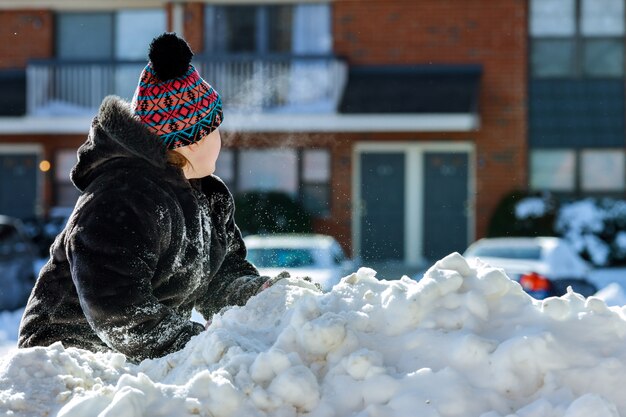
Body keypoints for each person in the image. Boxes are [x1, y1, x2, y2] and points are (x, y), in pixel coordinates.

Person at [18, 33, 288, 362]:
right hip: (68, 364)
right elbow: (116, 307)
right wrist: (199, 345)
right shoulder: (121, 199)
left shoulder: (208, 198)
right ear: (192, 141)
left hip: (139, 365)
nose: (221, 138)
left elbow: (218, 276)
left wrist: (256, 294)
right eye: (214, 128)